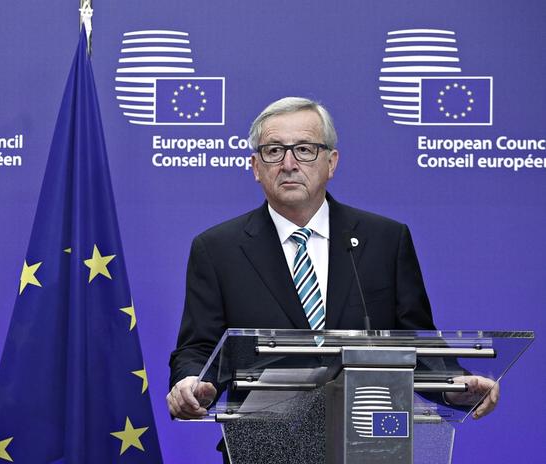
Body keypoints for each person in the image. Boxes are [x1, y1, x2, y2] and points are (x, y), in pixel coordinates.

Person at [167, 97, 498, 424]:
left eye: (304, 149)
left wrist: (454, 385)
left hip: (369, 436)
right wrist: (191, 382)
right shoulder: (218, 249)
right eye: (274, 151)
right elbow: (199, 348)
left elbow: (416, 341)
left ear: (331, 162)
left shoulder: (385, 240)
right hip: (262, 440)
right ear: (256, 167)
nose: (288, 163)